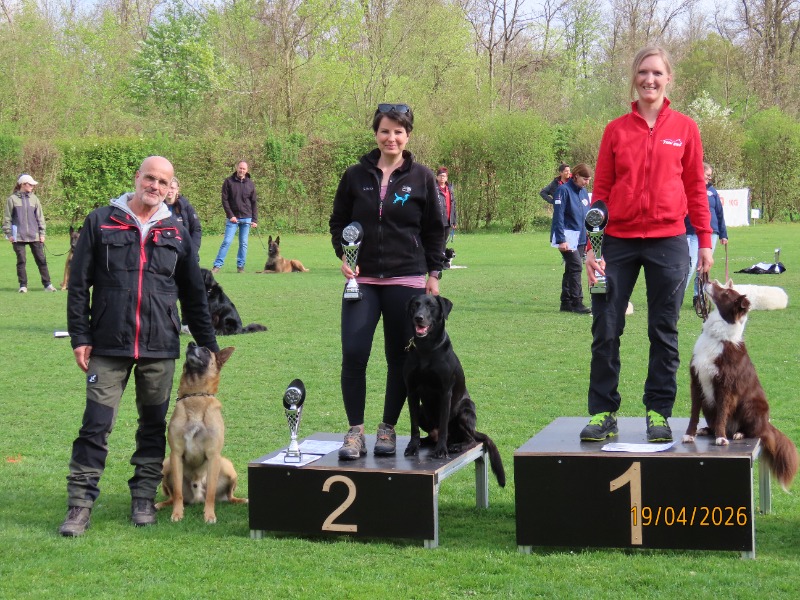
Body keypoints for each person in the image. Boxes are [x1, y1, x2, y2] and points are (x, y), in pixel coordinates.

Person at [59, 156, 219, 537]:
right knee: (95, 426)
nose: (155, 186)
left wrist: (210, 347)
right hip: (108, 344)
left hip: (159, 346)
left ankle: (144, 498)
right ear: (137, 178)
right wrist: (80, 337)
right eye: (150, 178)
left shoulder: (177, 231)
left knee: (152, 428)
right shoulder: (100, 221)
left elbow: (194, 297)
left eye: (163, 182)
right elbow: (79, 285)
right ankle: (80, 504)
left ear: (170, 187)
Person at [580, 46, 713, 443]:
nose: (649, 79)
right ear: (634, 78)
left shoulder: (686, 129)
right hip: (616, 243)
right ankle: (603, 412)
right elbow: (601, 192)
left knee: (664, 331)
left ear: (668, 78)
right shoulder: (615, 130)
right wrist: (593, 248)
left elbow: (696, 188)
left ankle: (658, 413)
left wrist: (705, 241)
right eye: (642, 72)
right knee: (605, 328)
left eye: (656, 72)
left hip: (669, 242)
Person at [329, 103, 444, 460]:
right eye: (384, 130)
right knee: (354, 353)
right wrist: (344, 256)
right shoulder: (354, 175)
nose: (390, 137)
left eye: (398, 131)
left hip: (406, 281)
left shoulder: (422, 177)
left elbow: (435, 230)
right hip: (361, 282)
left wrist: (434, 274)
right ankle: (355, 432)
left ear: (407, 135)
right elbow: (338, 222)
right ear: (375, 133)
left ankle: (387, 429)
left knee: (399, 358)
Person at [3, 174, 57, 293]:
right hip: (18, 236)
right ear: (23, 184)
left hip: (35, 235)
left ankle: (47, 284)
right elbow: (7, 218)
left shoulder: (35, 199)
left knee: (41, 260)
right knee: (21, 261)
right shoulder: (12, 199)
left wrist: (42, 234)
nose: (33, 186)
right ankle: (23, 286)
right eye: (30, 184)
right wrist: (9, 234)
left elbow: (40, 217)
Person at [551, 163, 592, 314]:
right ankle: (577, 302)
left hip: (580, 237)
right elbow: (558, 216)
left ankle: (566, 302)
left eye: (589, 180)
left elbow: (586, 214)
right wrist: (561, 240)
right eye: (585, 179)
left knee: (570, 269)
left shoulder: (583, 192)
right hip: (567, 236)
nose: (587, 182)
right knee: (576, 267)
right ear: (576, 176)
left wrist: (588, 234)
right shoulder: (563, 190)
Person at [685, 162, 728, 291]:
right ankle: (678, 295)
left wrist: (723, 234)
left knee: (705, 265)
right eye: (707, 174)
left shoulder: (713, 191)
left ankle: (698, 296)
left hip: (712, 232)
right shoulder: (689, 188)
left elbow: (720, 213)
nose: (710, 177)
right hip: (693, 232)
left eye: (710, 175)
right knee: (691, 264)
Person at [212, 160, 258, 273]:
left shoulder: (250, 184)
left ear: (247, 170)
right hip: (233, 219)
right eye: (240, 168)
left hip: (247, 218)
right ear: (237, 168)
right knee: (227, 242)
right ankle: (217, 266)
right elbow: (225, 200)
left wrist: (254, 220)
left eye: (244, 169)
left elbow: (254, 202)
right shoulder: (228, 181)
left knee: (243, 243)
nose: (241, 170)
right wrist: (230, 215)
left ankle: (240, 267)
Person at [165, 176, 202, 261]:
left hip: (184, 252)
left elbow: (196, 229)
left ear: (177, 189)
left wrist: (192, 251)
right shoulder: (157, 207)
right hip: (165, 254)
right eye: (167, 187)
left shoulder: (186, 206)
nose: (169, 191)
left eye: (172, 188)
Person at [436, 167, 457, 245]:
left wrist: (454, 221)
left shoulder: (450, 190)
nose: (442, 177)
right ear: (437, 177)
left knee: (443, 243)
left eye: (444, 176)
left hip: (448, 222)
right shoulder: (433, 189)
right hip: (437, 221)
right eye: (440, 175)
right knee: (437, 243)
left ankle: (442, 253)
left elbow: (453, 205)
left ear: (446, 178)